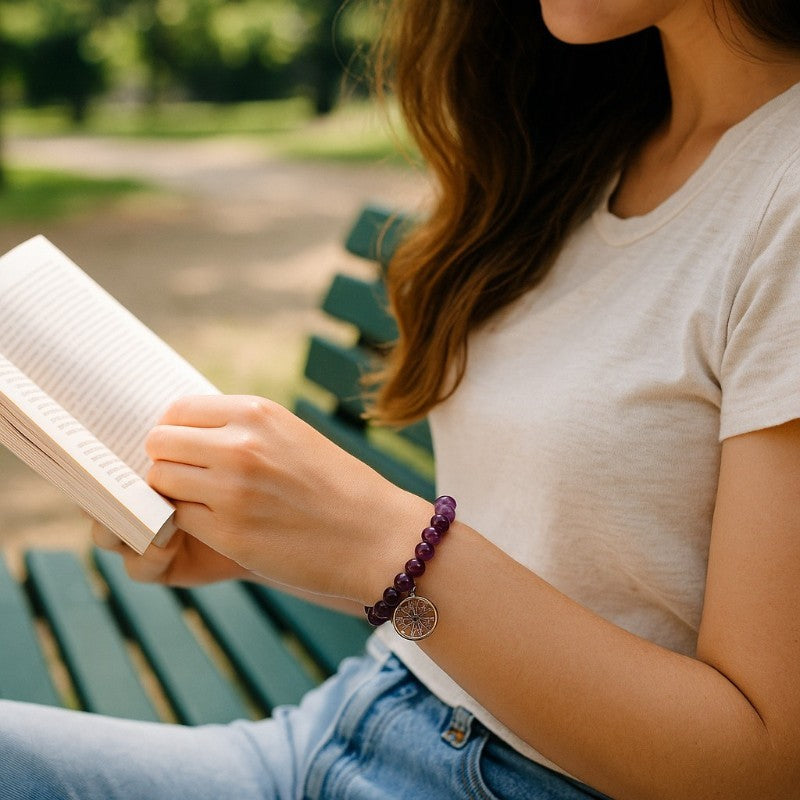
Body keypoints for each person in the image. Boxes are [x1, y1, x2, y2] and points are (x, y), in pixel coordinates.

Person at [3, 1, 800, 798]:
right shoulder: (596, 136)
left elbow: (759, 768)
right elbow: (553, 568)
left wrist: (382, 541)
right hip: (352, 720)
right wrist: (278, 540)